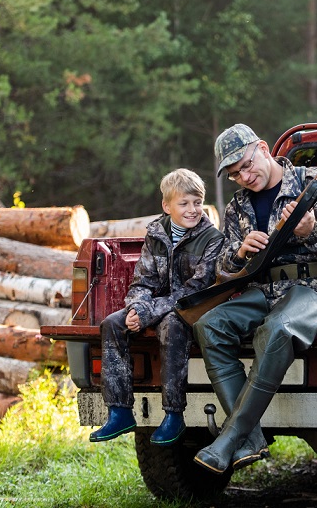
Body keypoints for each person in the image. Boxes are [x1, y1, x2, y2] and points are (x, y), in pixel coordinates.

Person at [192, 123, 317, 474]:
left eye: (246, 165)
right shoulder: (239, 206)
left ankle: (230, 438)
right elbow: (223, 265)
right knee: (210, 325)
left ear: (264, 148)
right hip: (264, 292)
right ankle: (252, 439)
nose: (244, 176)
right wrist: (240, 253)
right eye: (235, 173)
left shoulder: (313, 182)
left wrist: (311, 230)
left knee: (278, 328)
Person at [89, 168, 224, 446]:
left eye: (197, 202)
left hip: (192, 309)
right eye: (184, 203)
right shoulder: (156, 234)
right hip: (155, 305)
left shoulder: (212, 239)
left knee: (171, 325)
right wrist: (136, 309)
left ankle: (174, 414)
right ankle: (119, 411)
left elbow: (196, 290)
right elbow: (143, 279)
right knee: (113, 323)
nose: (192, 209)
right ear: (167, 206)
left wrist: (149, 311)